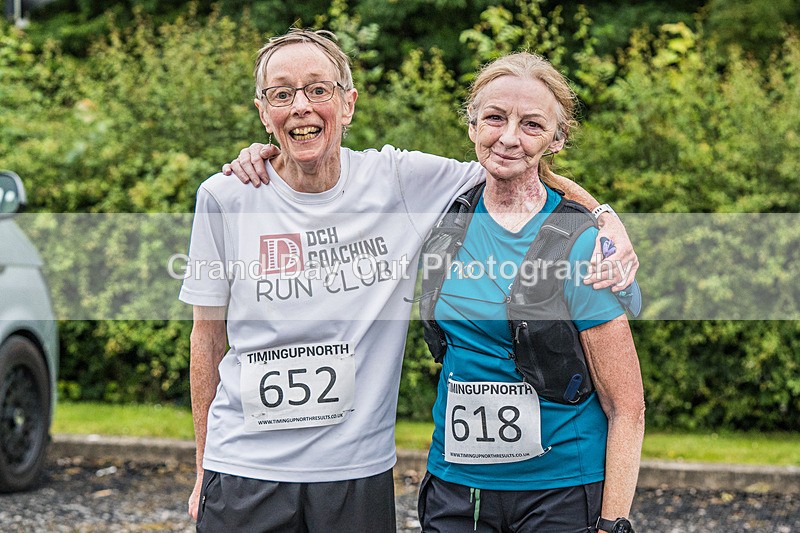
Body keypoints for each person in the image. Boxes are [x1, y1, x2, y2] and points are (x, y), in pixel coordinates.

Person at [182, 28, 638, 532]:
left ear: (348, 103)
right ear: (263, 111)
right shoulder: (226, 196)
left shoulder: (399, 181)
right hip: (244, 467)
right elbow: (207, 338)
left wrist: (602, 215)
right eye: (281, 94)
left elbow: (517, 160)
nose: (301, 106)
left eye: (318, 90)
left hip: (355, 471)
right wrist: (204, 465)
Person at [414, 53, 645, 532]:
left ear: (557, 139)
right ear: (473, 124)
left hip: (559, 491)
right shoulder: (438, 213)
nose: (509, 137)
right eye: (495, 118)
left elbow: (627, 407)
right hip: (457, 489)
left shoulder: (581, 244)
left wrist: (612, 523)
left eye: (532, 125)